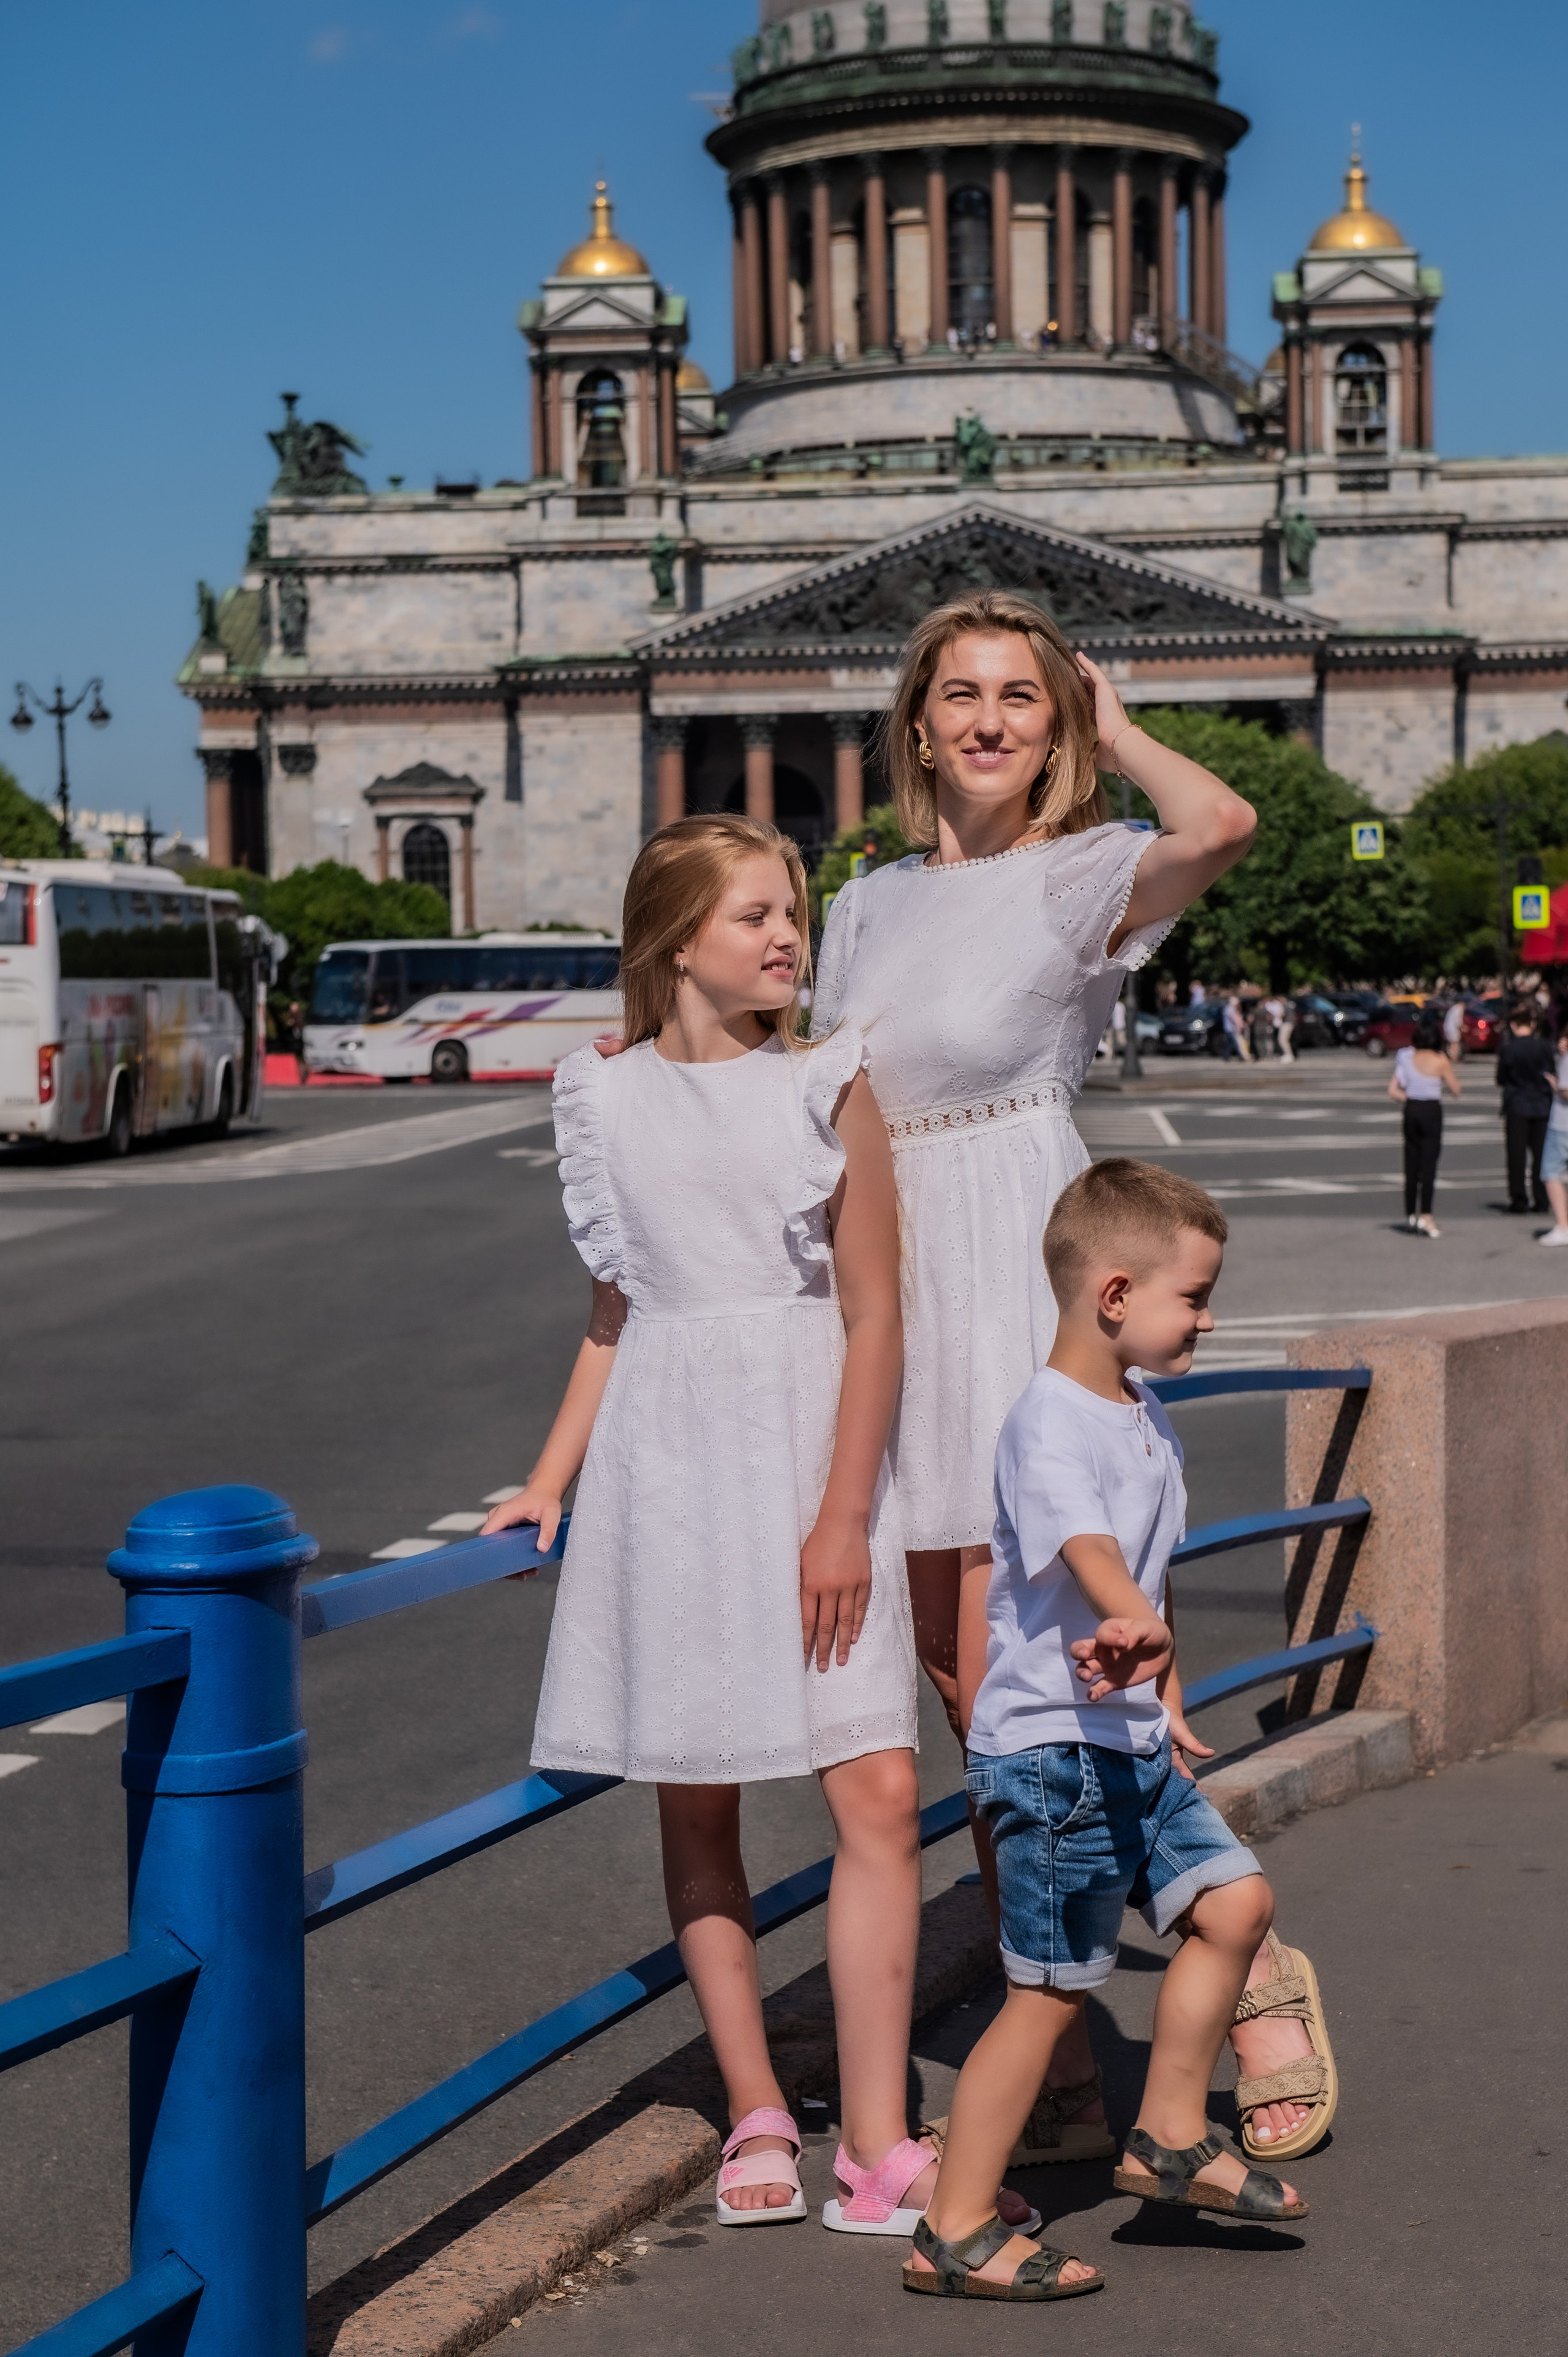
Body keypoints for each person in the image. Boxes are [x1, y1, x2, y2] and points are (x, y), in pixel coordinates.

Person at [812, 589, 1327, 2166]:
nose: (985, 720)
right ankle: (1074, 2046)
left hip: (1015, 1280)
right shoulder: (860, 904)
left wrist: (1120, 729)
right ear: (914, 725)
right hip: (896, 1294)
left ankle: (1239, 1949)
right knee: (974, 1693)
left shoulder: (1080, 871)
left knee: (1039, 1686)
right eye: (958, 694)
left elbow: (1221, 821)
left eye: (1018, 698)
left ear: (1054, 730)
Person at [486, 813, 937, 2233]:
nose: (788, 935)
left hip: (811, 1453)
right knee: (695, 1796)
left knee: (877, 1789)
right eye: (755, 913)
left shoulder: (828, 1081)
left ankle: (876, 2137)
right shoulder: (597, 1094)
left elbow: (875, 1315)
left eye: (791, 910)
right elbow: (613, 1316)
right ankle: (754, 2104)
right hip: (666, 1469)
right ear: (676, 938)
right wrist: (548, 1478)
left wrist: (842, 1517)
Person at [905, 1162, 1315, 2301]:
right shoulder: (1048, 1422)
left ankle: (1170, 2134)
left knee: (1236, 1905)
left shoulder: (1141, 1414)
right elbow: (1087, 1549)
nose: (1209, 1317)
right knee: (1045, 1992)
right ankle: (955, 2227)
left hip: (1128, 1739)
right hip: (1053, 1755)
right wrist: (1131, 1621)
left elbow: (1143, 1566)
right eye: (1197, 1296)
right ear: (1117, 1293)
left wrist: (1162, 1681)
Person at [1389, 1011, 1461, 1239]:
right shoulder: (1440, 1060)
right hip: (1431, 1110)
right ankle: (1427, 1215)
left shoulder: (1407, 1058)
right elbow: (1456, 1090)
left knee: (1411, 1163)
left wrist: (1411, 1097)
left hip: (1412, 1108)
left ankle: (1411, 1214)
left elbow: (1393, 1090)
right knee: (1429, 1164)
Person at [1496, 1000, 1556, 1215]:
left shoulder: (1508, 1049)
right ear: (1532, 1025)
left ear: (1514, 1025)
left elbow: (1501, 1078)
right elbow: (1551, 1073)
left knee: (1516, 1154)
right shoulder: (1544, 1047)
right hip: (1541, 1104)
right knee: (1540, 1154)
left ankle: (1519, 1198)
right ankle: (1542, 1198)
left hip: (1517, 1103)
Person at [1539, 1015, 1568, 1246]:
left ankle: (1562, 1226)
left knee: (1551, 1173)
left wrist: (1555, 1085)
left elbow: (1566, 1091)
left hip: (1562, 1124)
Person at [1442, 996, 1465, 1065]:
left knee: (1453, 1043)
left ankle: (1453, 1056)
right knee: (1454, 1043)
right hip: (1453, 1028)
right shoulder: (1459, 1009)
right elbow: (1458, 1021)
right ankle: (1454, 1056)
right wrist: (1462, 1027)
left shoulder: (1454, 1008)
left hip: (1449, 1027)